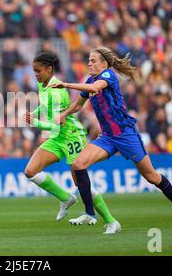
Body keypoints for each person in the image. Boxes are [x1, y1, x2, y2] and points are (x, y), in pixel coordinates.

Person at [50, 47, 172, 232]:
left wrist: (66, 84)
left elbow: (95, 88)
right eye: (88, 60)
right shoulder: (89, 81)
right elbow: (79, 104)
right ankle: (89, 213)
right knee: (78, 164)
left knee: (152, 177)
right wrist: (64, 114)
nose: (89, 63)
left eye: (93, 60)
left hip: (126, 134)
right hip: (108, 137)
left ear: (104, 64)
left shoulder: (108, 76)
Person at [24, 51, 121, 234]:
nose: (35, 74)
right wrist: (35, 113)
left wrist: (35, 122)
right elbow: (45, 106)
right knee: (30, 171)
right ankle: (66, 198)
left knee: (81, 183)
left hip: (71, 136)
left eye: (38, 71)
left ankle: (111, 221)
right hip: (57, 137)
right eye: (34, 70)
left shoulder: (57, 91)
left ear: (49, 69)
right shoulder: (41, 84)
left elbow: (57, 124)